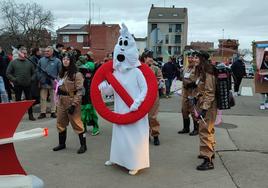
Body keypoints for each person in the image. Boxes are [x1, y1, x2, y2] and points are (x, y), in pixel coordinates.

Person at [100, 24, 149, 175]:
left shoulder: (136, 72)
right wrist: (103, 86)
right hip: (120, 110)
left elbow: (145, 89)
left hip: (135, 111)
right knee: (119, 135)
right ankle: (117, 158)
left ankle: (135, 163)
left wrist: (136, 103)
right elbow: (112, 91)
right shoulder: (116, 73)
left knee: (134, 137)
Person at [53, 53, 87, 154]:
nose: (65, 61)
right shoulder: (61, 73)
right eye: (63, 59)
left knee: (77, 124)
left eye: (68, 59)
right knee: (60, 122)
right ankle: (62, 144)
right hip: (61, 101)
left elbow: (80, 91)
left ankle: (83, 145)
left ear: (71, 61)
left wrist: (74, 105)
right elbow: (59, 85)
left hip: (72, 100)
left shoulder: (77, 74)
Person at [194, 51, 217, 170]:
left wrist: (204, 108)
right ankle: (210, 152)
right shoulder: (203, 70)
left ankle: (207, 160)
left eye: (196, 57)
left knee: (204, 131)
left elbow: (209, 91)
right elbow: (202, 89)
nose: (194, 59)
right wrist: (196, 96)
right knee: (209, 129)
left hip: (208, 106)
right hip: (204, 104)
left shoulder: (208, 70)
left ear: (202, 58)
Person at [6, 47, 36, 120]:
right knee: (18, 101)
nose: (25, 54)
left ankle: (30, 115)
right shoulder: (13, 62)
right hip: (18, 85)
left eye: (26, 53)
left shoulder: (29, 62)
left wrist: (31, 79)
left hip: (28, 84)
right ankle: (18, 116)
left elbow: (34, 73)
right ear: (19, 53)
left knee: (29, 100)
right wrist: (14, 80)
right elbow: (8, 73)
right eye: (23, 53)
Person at [140, 51, 162, 145]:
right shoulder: (139, 68)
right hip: (142, 95)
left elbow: (160, 79)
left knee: (153, 116)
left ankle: (155, 135)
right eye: (149, 57)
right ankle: (145, 135)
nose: (151, 59)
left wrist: (157, 83)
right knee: (142, 117)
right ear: (144, 58)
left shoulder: (156, 69)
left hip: (153, 95)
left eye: (152, 57)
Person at [36, 46, 61, 119]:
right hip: (43, 82)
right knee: (43, 98)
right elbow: (37, 70)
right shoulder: (41, 60)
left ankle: (53, 112)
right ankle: (43, 112)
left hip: (53, 82)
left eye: (48, 51)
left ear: (52, 52)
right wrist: (40, 78)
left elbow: (60, 72)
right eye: (45, 51)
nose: (46, 53)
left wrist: (58, 81)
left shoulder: (57, 61)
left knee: (53, 98)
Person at [178, 51, 199, 136]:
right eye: (189, 58)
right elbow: (183, 77)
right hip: (185, 92)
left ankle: (196, 129)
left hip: (193, 92)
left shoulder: (197, 69)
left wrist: (191, 84)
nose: (190, 59)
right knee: (184, 110)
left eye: (192, 58)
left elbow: (198, 81)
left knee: (194, 111)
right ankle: (186, 128)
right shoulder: (186, 68)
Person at [79, 61, 100, 136]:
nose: (86, 72)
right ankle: (83, 127)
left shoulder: (94, 79)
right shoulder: (82, 78)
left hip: (91, 100)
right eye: (85, 70)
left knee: (92, 114)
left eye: (88, 70)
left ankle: (96, 127)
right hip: (83, 99)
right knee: (82, 115)